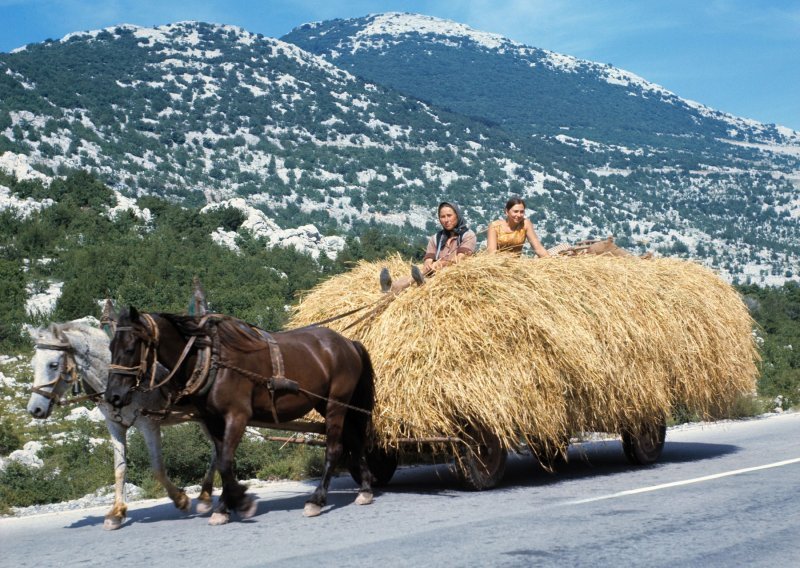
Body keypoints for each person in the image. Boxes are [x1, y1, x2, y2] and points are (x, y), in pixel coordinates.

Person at [380, 201, 477, 293]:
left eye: (449, 216)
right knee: (420, 270)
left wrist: (441, 264)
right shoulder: (436, 238)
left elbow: (460, 259)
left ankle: (396, 286)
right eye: (442, 217)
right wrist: (428, 265)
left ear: (457, 215)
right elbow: (428, 259)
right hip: (435, 273)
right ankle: (393, 285)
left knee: (424, 276)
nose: (446, 220)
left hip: (455, 276)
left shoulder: (468, 235)